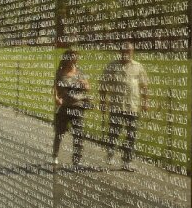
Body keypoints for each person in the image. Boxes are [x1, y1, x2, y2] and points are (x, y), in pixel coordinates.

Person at [99, 41, 148, 171]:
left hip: (132, 106)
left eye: (129, 51)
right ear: (120, 52)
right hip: (116, 106)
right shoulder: (112, 66)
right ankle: (110, 152)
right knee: (114, 132)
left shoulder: (138, 67)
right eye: (124, 51)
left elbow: (144, 86)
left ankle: (127, 161)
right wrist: (103, 102)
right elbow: (103, 86)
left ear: (132, 52)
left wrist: (145, 102)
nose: (126, 53)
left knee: (131, 135)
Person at [53, 49, 89, 167]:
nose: (73, 61)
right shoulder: (60, 72)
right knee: (59, 132)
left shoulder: (80, 72)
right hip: (64, 107)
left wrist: (85, 85)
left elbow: (88, 87)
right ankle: (55, 155)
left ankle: (76, 160)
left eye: (75, 59)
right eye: (72, 59)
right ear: (66, 59)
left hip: (77, 106)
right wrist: (56, 98)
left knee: (78, 134)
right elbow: (54, 88)